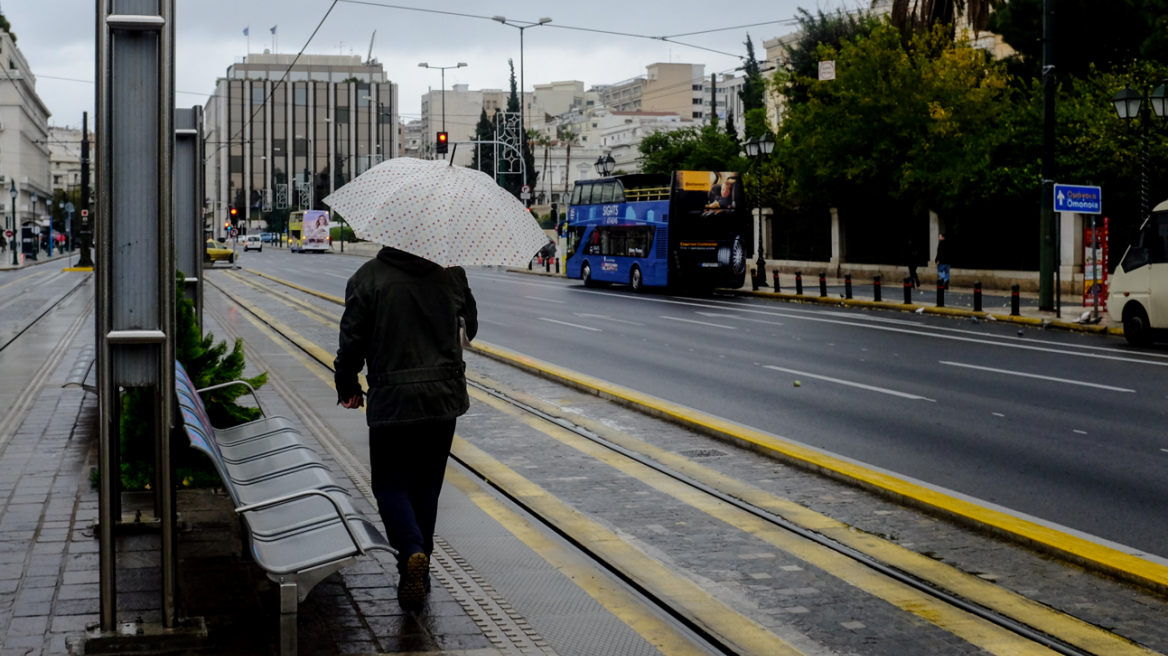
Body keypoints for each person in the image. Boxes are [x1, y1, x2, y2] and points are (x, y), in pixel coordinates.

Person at [335, 246, 478, 610]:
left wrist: (347, 386)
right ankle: (419, 573)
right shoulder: (452, 273)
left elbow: (352, 341)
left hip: (393, 401)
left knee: (390, 484)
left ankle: (412, 553)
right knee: (426, 489)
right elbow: (471, 328)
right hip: (443, 399)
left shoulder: (367, 278)